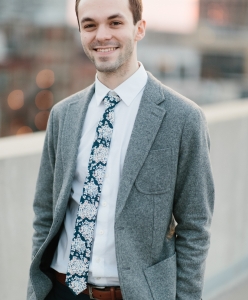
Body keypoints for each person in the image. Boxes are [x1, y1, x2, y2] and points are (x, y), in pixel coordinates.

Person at [27, 0, 214, 299]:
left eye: (115, 22)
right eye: (89, 25)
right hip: (61, 290)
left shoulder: (183, 119)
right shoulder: (63, 115)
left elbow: (195, 227)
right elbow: (45, 213)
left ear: (139, 28)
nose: (101, 35)